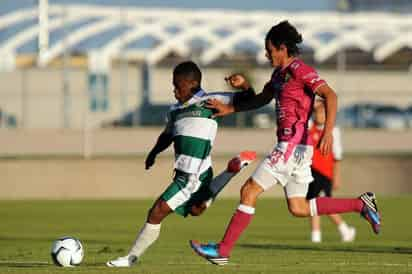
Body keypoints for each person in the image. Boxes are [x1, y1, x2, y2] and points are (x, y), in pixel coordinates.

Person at [190, 21, 381, 265]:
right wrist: (233, 103)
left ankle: (223, 251)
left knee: (249, 190)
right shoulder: (278, 76)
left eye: (269, 49)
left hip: (290, 146)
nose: (266, 54)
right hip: (299, 150)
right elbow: (260, 99)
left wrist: (328, 132)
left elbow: (330, 95)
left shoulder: (300, 70)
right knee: (299, 207)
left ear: (282, 48)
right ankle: (361, 204)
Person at [106, 61, 257, 267]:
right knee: (196, 210)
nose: (175, 90)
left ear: (193, 83)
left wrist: (244, 85)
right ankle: (232, 170)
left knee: (157, 211)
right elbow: (167, 135)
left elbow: (250, 99)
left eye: (178, 85)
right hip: (191, 172)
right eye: (173, 85)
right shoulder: (175, 110)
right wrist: (153, 153)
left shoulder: (210, 100)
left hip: (193, 174)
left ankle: (130, 258)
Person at [306, 99, 356, 243]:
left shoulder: (333, 131)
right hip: (311, 171)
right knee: (313, 204)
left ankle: (344, 229)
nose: (318, 115)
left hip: (325, 173)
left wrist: (336, 177)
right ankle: (317, 236)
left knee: (323, 203)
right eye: (316, 112)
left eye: (322, 112)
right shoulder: (310, 127)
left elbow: (337, 156)